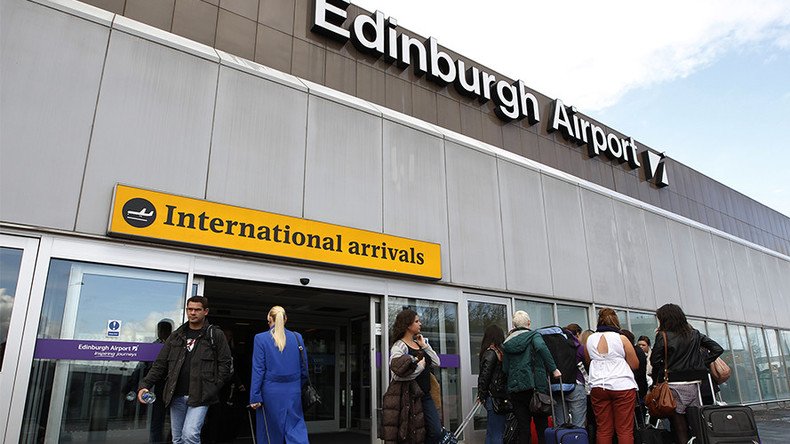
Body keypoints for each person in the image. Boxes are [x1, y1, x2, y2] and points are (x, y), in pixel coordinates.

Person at [138, 297, 233, 444]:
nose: (193, 313)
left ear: (205, 311)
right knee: (178, 439)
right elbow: (160, 364)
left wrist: (213, 387)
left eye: (197, 310)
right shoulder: (176, 336)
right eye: (190, 309)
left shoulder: (214, 335)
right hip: (176, 395)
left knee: (190, 435)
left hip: (201, 395)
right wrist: (144, 385)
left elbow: (225, 364)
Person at [651, 303, 723, 444]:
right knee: (695, 418)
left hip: (673, 383)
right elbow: (717, 349)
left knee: (679, 421)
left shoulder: (663, 335)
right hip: (695, 383)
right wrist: (701, 363)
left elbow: (655, 360)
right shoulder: (695, 334)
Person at [249, 306, 309, 444]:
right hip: (293, 390)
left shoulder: (260, 338)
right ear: (285, 319)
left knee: (269, 432)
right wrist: (297, 386)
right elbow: (304, 368)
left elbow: (258, 369)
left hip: (270, 392)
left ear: (269, 318)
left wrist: (255, 396)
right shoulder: (297, 337)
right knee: (295, 430)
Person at [502, 311, 561, 444]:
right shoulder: (534, 336)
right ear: (529, 323)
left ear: (514, 325)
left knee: (524, 429)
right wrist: (554, 369)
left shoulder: (507, 342)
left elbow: (505, 368)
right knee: (541, 427)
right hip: (535, 387)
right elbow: (541, 348)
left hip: (516, 388)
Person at [584, 308, 638, 444]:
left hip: (598, 386)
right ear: (616, 320)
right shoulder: (622, 338)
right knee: (624, 429)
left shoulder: (590, 339)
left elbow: (588, 361)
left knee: (603, 429)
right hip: (622, 385)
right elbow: (634, 364)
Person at [551, 324, 587, 429]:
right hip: (576, 385)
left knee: (560, 426)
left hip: (558, 386)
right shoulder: (578, 347)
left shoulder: (555, 347)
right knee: (578, 425)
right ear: (578, 334)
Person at [477, 325, 508, 444]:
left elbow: (485, 376)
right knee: (495, 431)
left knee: (493, 432)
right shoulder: (502, 353)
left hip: (492, 396)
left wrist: (481, 394)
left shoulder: (490, 352)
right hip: (500, 396)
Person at [621, 329, 648, 427]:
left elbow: (637, 370)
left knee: (635, 417)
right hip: (640, 386)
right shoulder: (638, 351)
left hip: (634, 388)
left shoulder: (633, 352)